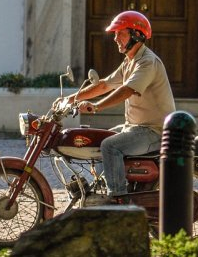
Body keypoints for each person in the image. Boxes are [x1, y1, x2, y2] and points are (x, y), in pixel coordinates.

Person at [66, 10, 176, 201]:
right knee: (99, 138)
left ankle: (117, 200)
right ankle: (100, 186)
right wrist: (71, 98)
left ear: (136, 35)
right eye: (115, 34)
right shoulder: (130, 61)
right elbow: (104, 85)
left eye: (120, 33)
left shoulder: (147, 62)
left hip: (154, 131)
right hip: (135, 127)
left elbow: (127, 90)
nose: (115, 38)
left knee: (110, 146)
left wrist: (96, 106)